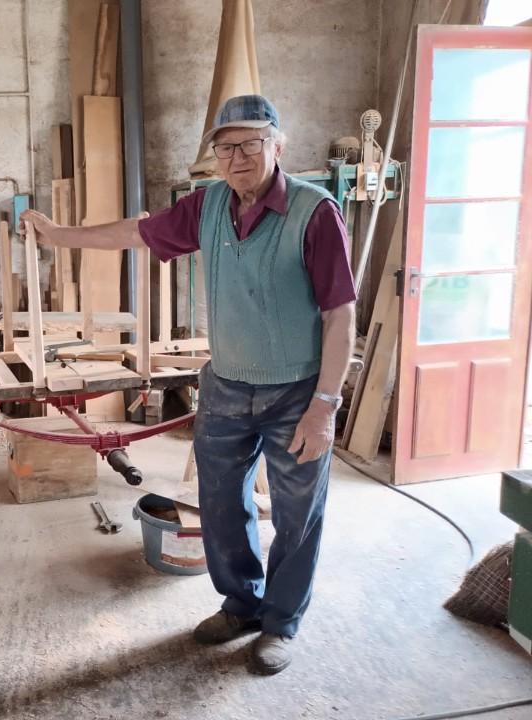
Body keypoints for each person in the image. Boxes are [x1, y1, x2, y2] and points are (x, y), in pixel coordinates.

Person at [21, 94, 356, 675]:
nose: (237, 157)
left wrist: (324, 406)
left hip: (296, 392)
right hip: (226, 385)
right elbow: (137, 232)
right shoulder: (209, 207)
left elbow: (340, 316)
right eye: (225, 148)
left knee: (298, 514)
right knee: (219, 503)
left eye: (250, 144)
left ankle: (280, 622)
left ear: (278, 145)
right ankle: (241, 604)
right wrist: (59, 235)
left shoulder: (314, 212)